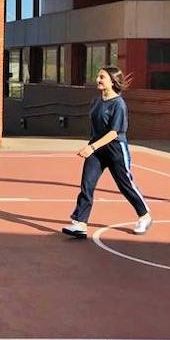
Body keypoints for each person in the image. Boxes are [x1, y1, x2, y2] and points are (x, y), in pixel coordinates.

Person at [63, 66, 153, 238]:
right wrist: (93, 145)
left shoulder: (119, 104)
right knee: (87, 185)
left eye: (102, 77)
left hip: (115, 149)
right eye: (98, 76)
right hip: (97, 149)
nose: (98, 79)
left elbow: (114, 133)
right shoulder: (96, 102)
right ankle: (80, 223)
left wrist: (91, 147)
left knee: (125, 185)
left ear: (112, 81)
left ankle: (144, 215)